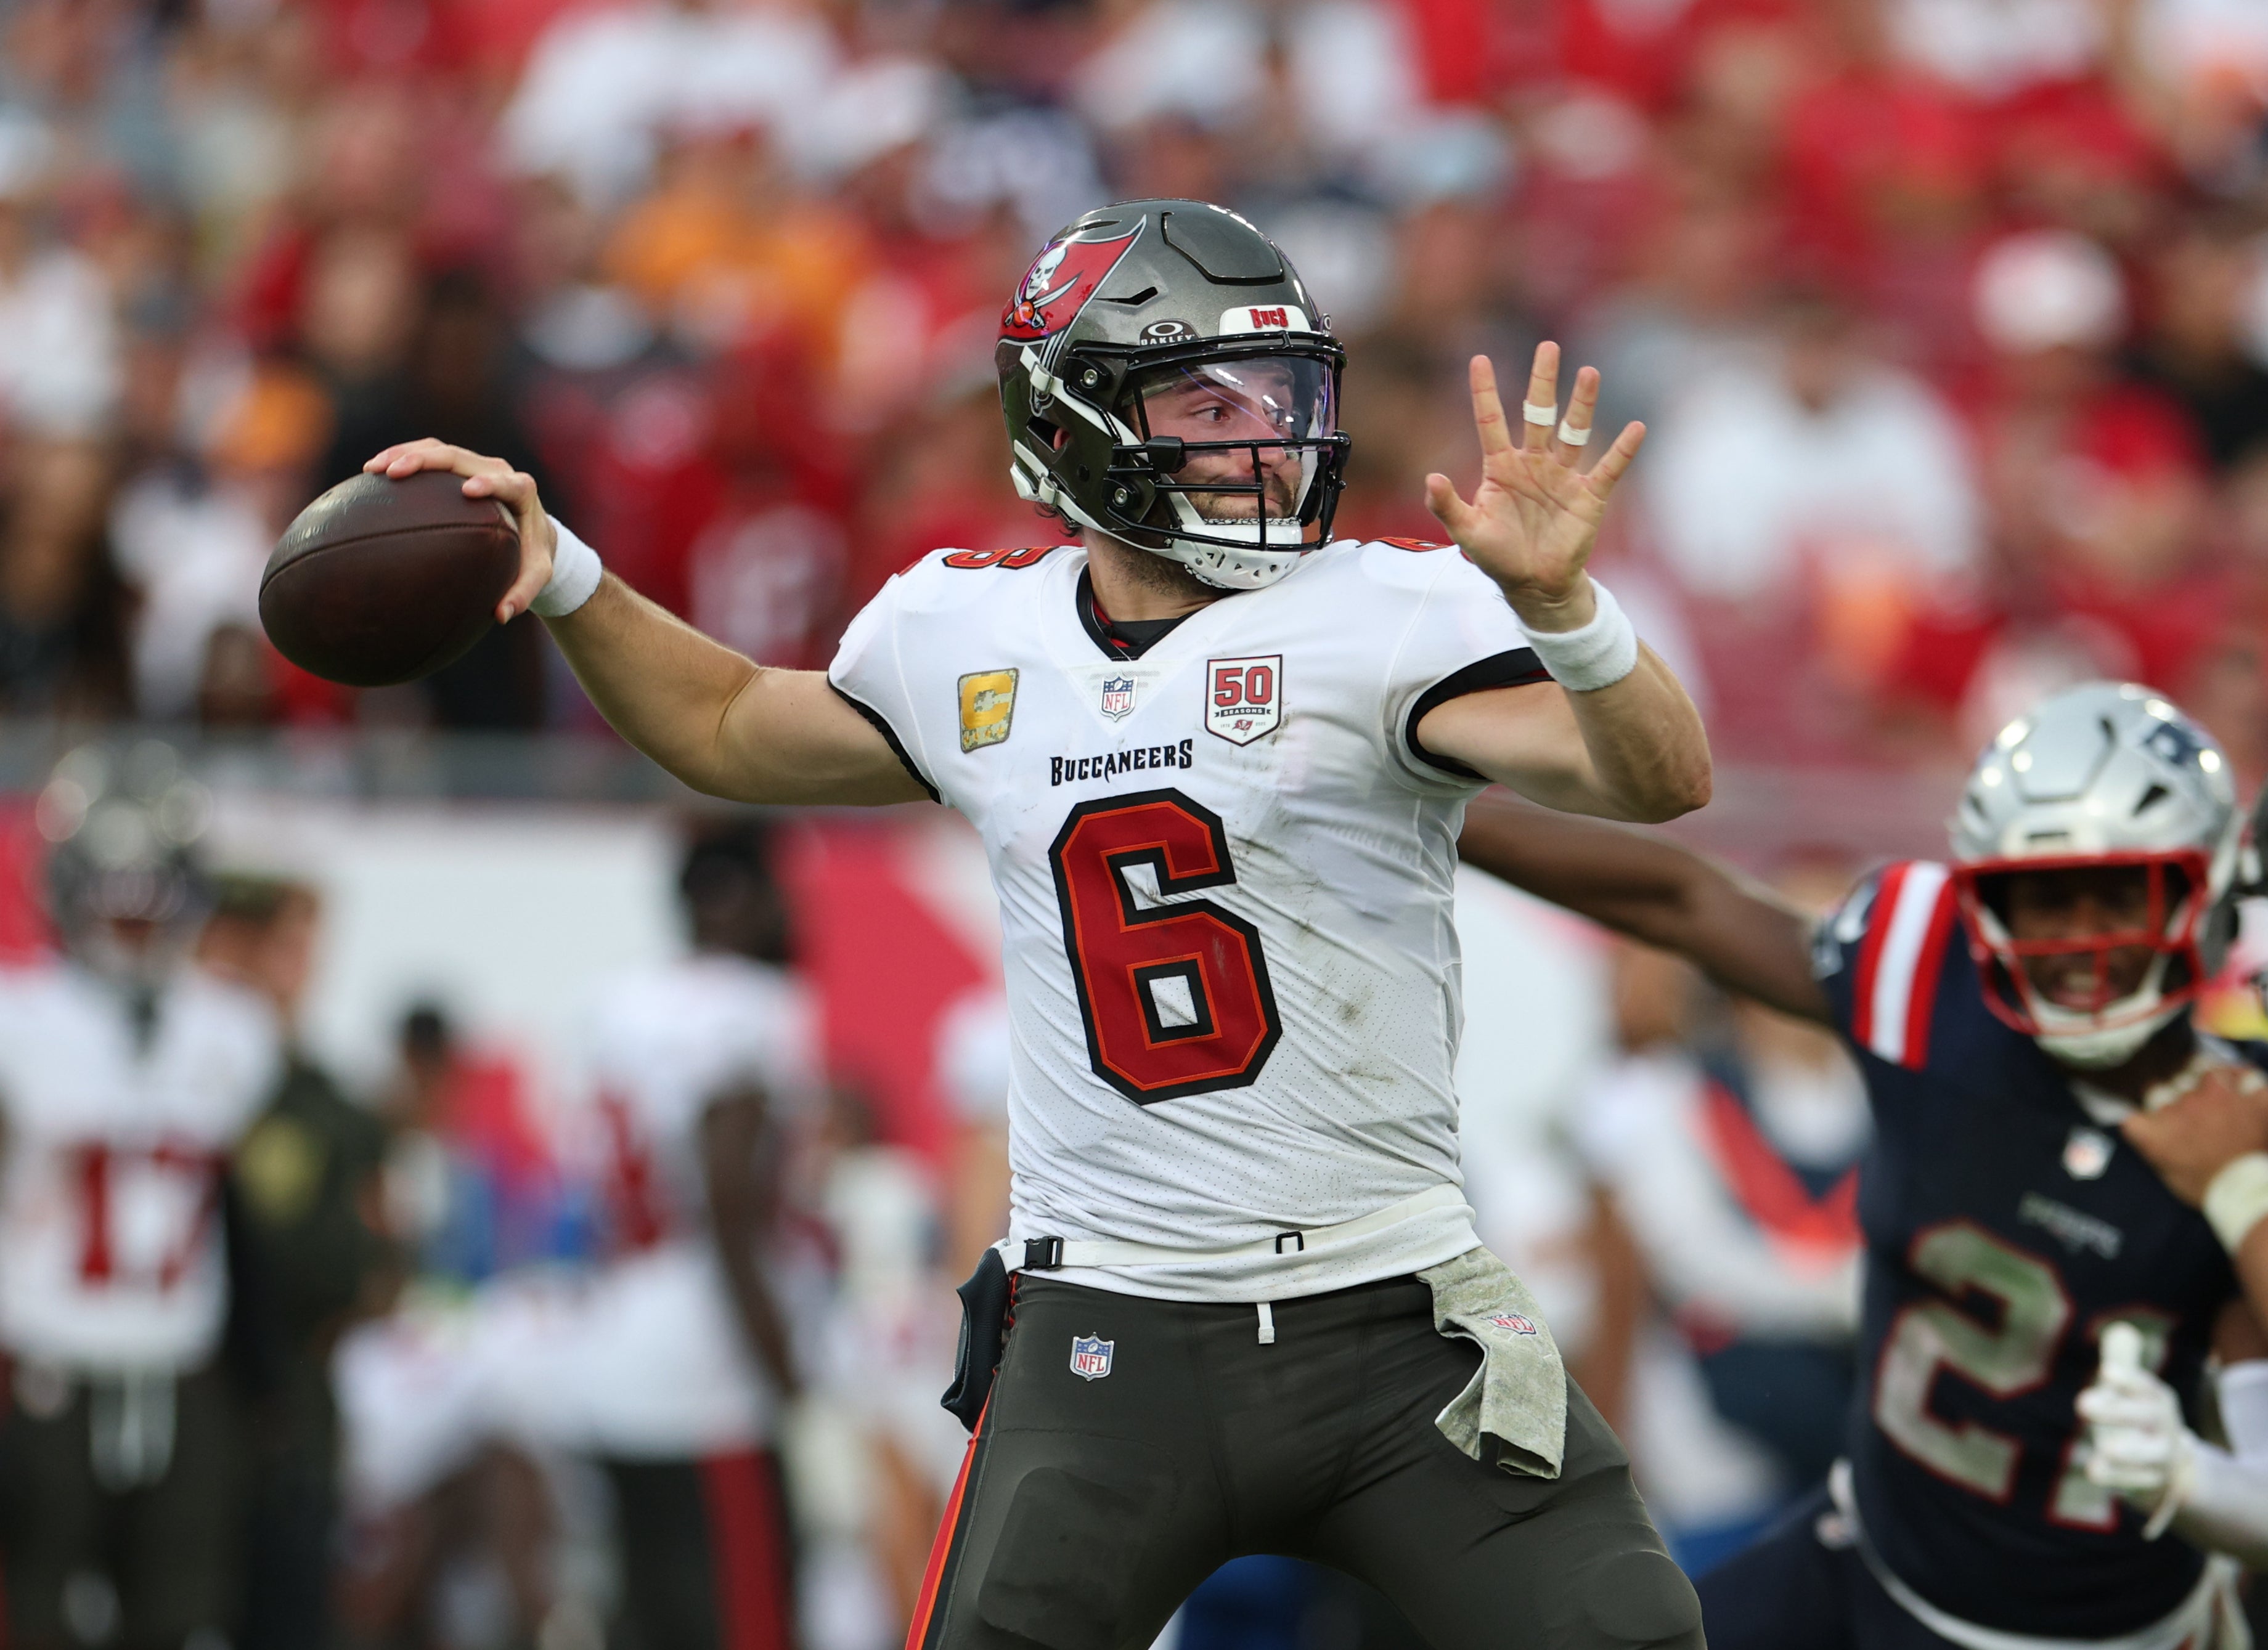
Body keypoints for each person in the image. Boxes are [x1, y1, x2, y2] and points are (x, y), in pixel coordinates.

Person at [364, 197, 1714, 1649]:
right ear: (1074, 427)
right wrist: (566, 567)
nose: (1264, 442)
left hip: (1391, 1314)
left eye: (1279, 399)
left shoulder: (1381, 612)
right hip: (1110, 1335)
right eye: (1207, 403)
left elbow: (1657, 775)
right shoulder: (966, 638)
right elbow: (728, 719)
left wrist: (1571, 615)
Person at [1458, 680, 2268, 1648]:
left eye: (2118, 892)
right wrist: (1439, 810)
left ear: (2206, 885)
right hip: (1866, 1549)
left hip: (2083, 1633)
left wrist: (2191, 1477)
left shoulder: (2238, 1121)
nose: (2080, 940)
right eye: (2042, 898)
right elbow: (1683, 899)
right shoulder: (1930, 978)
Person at [0, 744, 282, 1650]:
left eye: (151, 892)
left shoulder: (232, 1026)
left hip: (183, 1367)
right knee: (40, 1609)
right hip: (49, 1368)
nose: (132, 914)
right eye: (114, 892)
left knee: (186, 1615)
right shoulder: (21, 1015)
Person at [570, 818, 816, 1650]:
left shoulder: (619, 1001)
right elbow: (727, 1208)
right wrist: (790, 1378)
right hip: (709, 1370)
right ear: (742, 899)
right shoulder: (753, 1008)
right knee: (748, 1621)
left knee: (650, 1617)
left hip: (614, 1340)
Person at [196, 874, 395, 1650]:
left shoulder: (332, 1108)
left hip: (294, 1416)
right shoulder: (175, 1089)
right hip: (189, 1408)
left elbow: (374, 1268)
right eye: (275, 944)